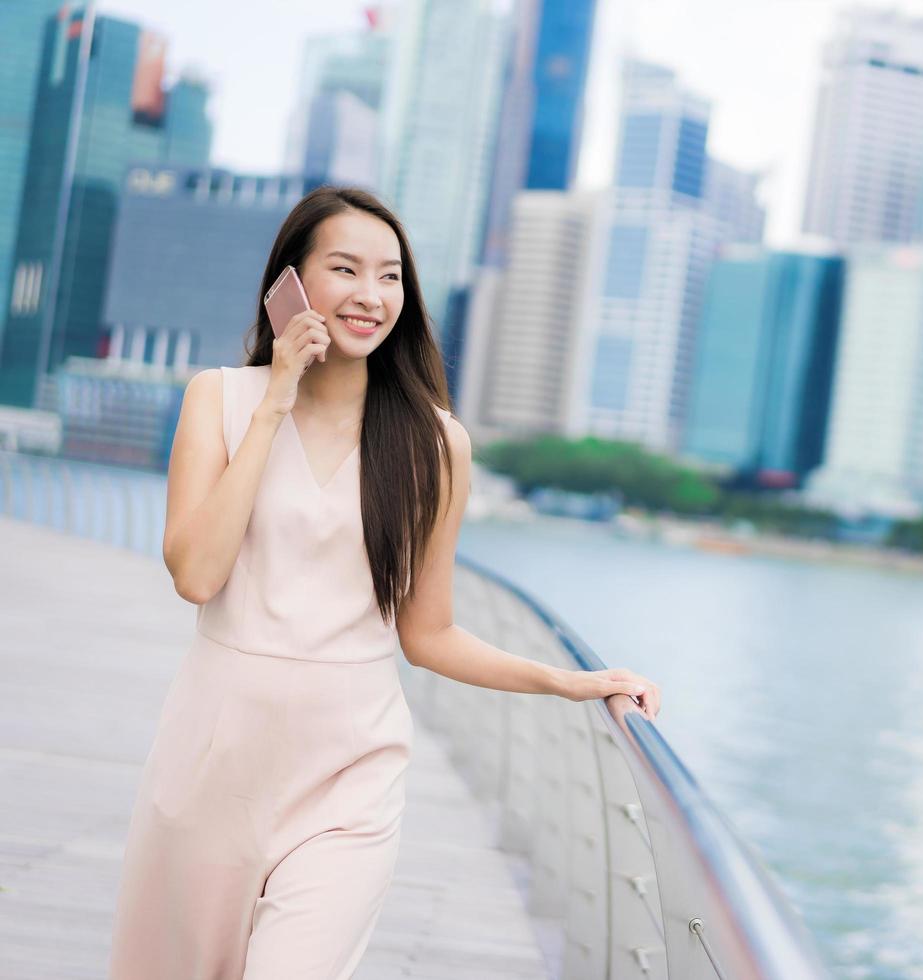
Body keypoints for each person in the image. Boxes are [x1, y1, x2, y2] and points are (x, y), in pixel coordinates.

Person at [108, 185, 661, 979]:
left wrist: (570, 682)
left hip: (349, 774)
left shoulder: (436, 444)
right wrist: (274, 403)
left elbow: (427, 632)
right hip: (212, 761)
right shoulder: (219, 399)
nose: (372, 296)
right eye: (345, 269)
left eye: (391, 276)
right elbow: (196, 573)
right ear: (288, 282)